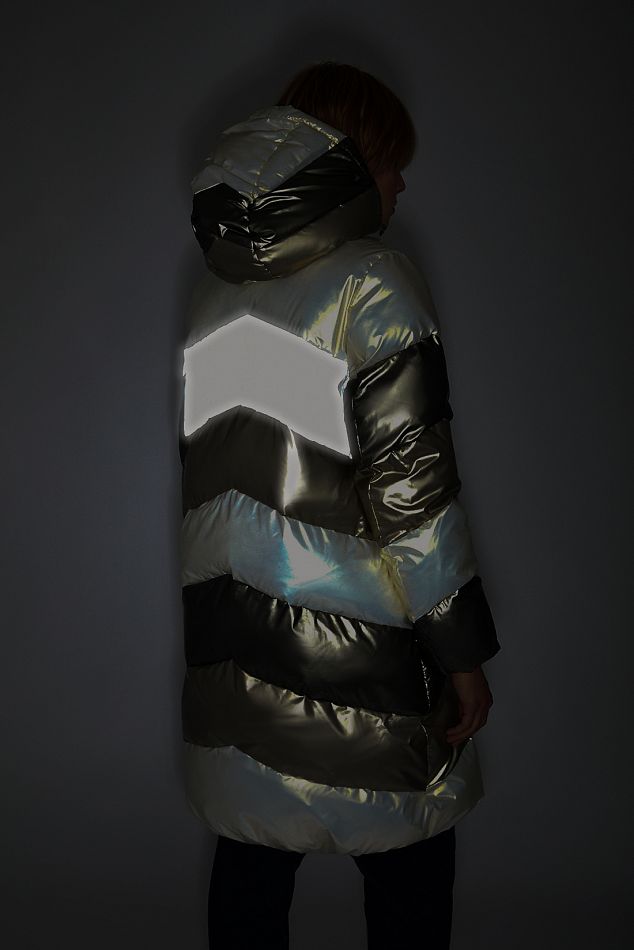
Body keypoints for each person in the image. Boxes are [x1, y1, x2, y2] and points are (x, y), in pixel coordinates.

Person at [178, 60, 501, 949]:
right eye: (393, 162)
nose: (401, 184)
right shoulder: (374, 281)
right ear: (352, 161)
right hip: (368, 658)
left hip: (237, 655)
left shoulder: (213, 294)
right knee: (407, 871)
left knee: (250, 867)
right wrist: (462, 653)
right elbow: (414, 495)